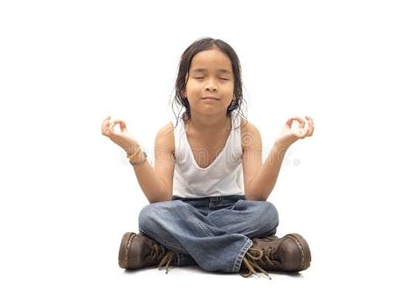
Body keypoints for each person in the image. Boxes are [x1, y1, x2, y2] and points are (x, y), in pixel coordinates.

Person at [101, 37, 314, 279]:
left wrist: (281, 146)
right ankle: (250, 252)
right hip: (182, 210)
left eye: (222, 78)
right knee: (150, 216)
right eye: (200, 77)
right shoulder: (169, 134)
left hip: (232, 210)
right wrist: (133, 149)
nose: (211, 85)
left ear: (235, 91)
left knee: (266, 213)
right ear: (183, 87)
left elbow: (256, 196)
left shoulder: (246, 132)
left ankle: (172, 250)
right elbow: (159, 198)